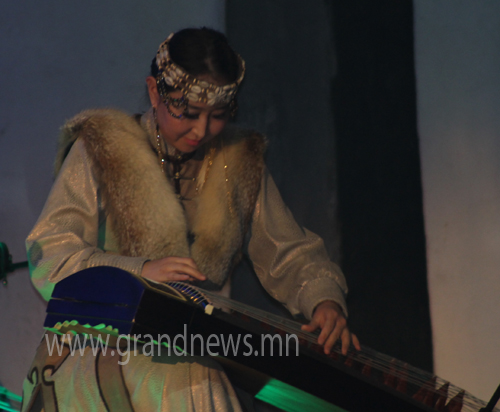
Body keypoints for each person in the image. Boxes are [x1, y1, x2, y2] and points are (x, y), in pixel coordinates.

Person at [22, 28, 359, 412]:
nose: (201, 130)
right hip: (99, 351)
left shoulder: (237, 163)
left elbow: (288, 251)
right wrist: (139, 272)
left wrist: (323, 300)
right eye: (188, 112)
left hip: (190, 352)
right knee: (188, 382)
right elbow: (51, 254)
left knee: (196, 378)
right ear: (154, 92)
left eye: (218, 116)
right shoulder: (101, 148)